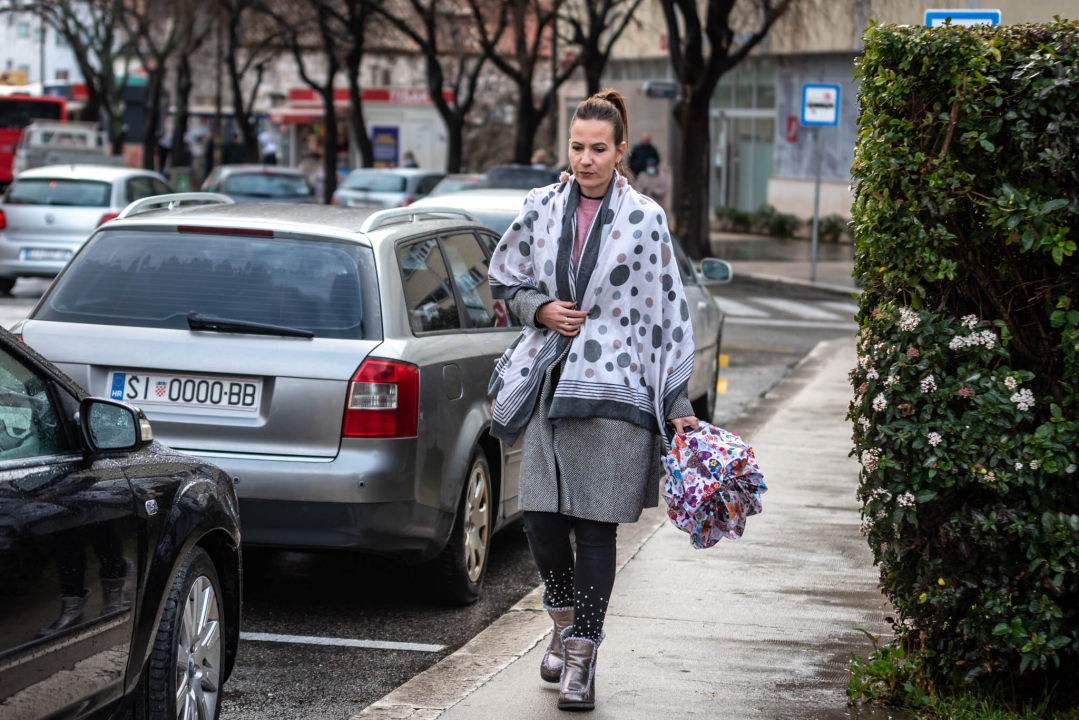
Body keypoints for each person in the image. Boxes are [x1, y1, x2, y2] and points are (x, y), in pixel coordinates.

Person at [487, 89, 698, 711]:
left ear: (620, 152)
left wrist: (677, 399)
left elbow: (668, 312)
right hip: (550, 387)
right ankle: (561, 623)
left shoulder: (646, 219)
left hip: (617, 389)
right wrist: (540, 309)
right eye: (577, 147)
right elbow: (504, 278)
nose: (585, 159)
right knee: (541, 523)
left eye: (598, 149)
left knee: (596, 530)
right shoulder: (541, 206)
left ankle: (582, 659)